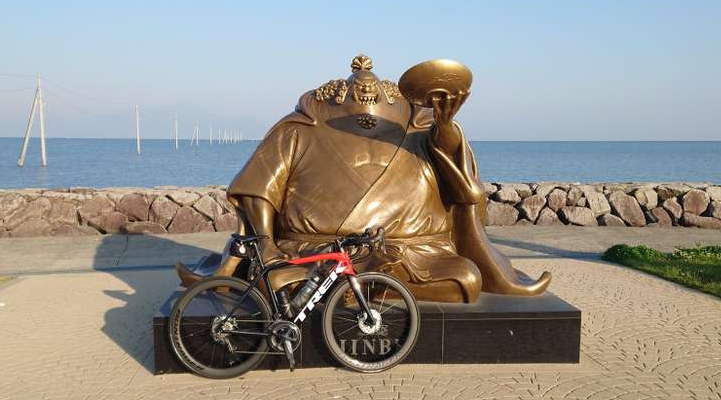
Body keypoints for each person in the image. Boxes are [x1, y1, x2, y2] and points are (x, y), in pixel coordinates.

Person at [177, 54, 550, 302]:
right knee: (274, 277)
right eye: (356, 94)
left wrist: (446, 127)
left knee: (465, 280)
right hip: (315, 251)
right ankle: (356, 288)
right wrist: (264, 242)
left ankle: (353, 290)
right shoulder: (299, 129)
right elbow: (257, 188)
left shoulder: (422, 128)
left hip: (411, 252)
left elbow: (463, 190)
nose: (365, 96)